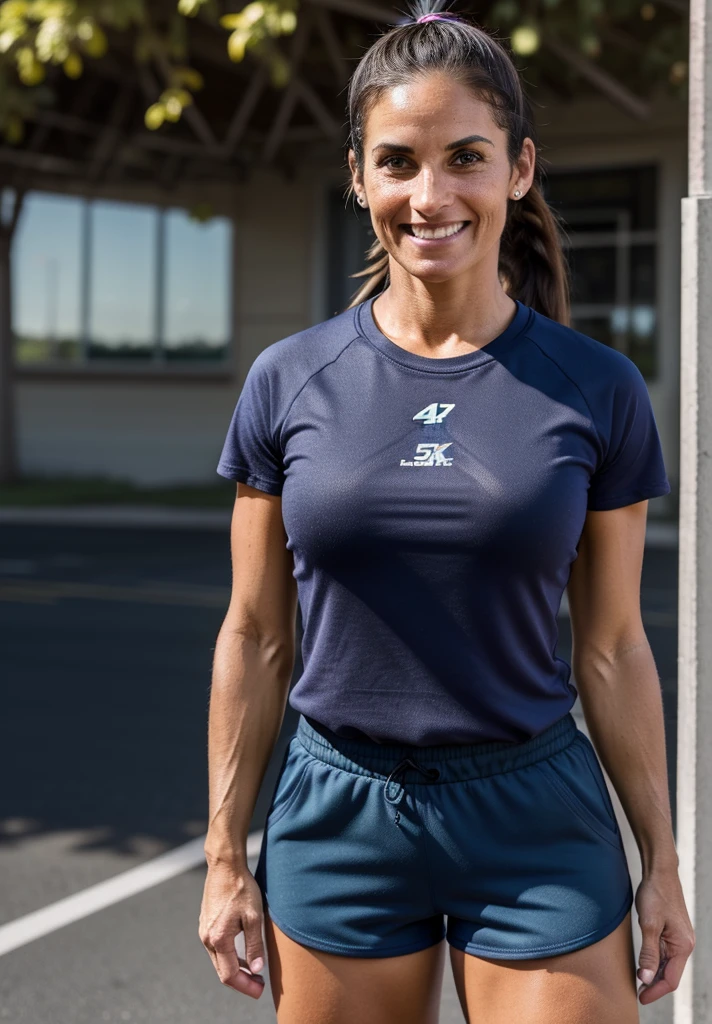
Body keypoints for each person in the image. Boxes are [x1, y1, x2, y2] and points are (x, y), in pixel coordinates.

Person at [199, 1, 695, 1020]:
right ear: (357, 175)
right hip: (338, 815)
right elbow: (253, 635)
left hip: (533, 820)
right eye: (398, 161)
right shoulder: (288, 380)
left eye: (465, 157)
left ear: (518, 169)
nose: (431, 195)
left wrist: (661, 861)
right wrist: (222, 856)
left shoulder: (596, 389)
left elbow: (609, 647)